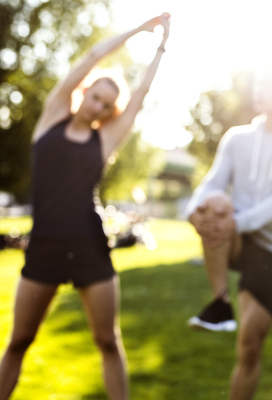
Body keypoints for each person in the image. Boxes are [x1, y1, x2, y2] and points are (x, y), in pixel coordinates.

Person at [0, 14, 170, 400]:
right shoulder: (50, 119)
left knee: (108, 340)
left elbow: (140, 95)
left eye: (107, 104)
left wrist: (161, 48)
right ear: (85, 91)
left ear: (110, 111)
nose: (97, 106)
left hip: (89, 243)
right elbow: (92, 56)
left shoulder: (105, 139)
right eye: (95, 95)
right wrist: (139, 31)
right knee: (19, 341)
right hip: (44, 243)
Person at [185, 67, 272, 400]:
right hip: (234, 237)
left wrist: (239, 222)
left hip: (271, 250)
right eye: (259, 83)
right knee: (213, 203)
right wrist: (194, 210)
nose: (261, 90)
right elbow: (214, 181)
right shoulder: (237, 138)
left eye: (271, 83)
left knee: (249, 348)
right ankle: (220, 303)